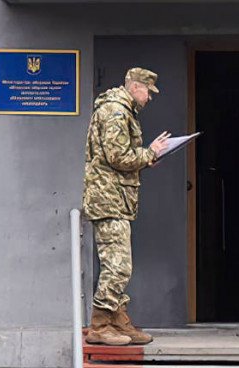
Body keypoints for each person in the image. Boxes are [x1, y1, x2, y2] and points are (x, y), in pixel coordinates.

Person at [82, 67, 170, 346]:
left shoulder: (120, 110)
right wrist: (150, 152)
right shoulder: (117, 112)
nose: (149, 98)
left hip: (115, 198)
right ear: (135, 87)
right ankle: (99, 325)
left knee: (117, 263)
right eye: (147, 91)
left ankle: (118, 319)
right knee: (118, 266)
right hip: (109, 199)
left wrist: (146, 157)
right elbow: (118, 156)